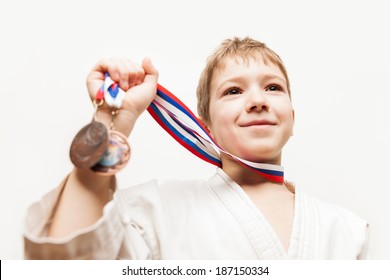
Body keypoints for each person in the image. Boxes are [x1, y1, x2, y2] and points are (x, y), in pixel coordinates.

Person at [24, 37, 370, 259]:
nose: (257, 101)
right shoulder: (154, 212)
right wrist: (113, 117)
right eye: (233, 91)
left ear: (292, 119)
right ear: (205, 126)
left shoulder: (347, 229)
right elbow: (63, 264)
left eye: (273, 88)